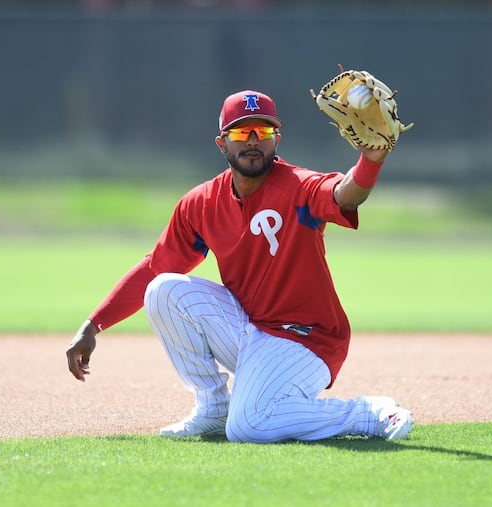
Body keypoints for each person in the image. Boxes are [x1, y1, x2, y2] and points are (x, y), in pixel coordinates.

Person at [65, 90, 413, 442]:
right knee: (163, 290)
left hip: (308, 339)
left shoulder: (298, 187)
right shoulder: (201, 203)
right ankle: (214, 407)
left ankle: (370, 413)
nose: (251, 141)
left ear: (276, 140)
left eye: (262, 133)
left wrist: (371, 160)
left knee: (250, 426)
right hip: (249, 330)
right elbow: (156, 268)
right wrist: (93, 325)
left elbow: (345, 194)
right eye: (240, 133)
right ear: (221, 143)